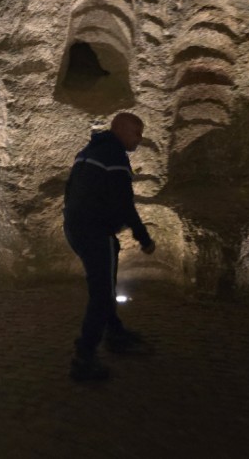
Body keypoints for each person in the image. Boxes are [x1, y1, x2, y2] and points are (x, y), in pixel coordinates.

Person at [63, 112, 156, 382]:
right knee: (102, 294)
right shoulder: (114, 156)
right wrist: (144, 238)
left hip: (77, 227)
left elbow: (70, 189)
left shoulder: (89, 151)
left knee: (104, 284)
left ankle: (114, 331)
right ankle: (84, 357)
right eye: (136, 132)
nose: (139, 139)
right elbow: (124, 203)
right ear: (121, 129)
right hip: (95, 231)